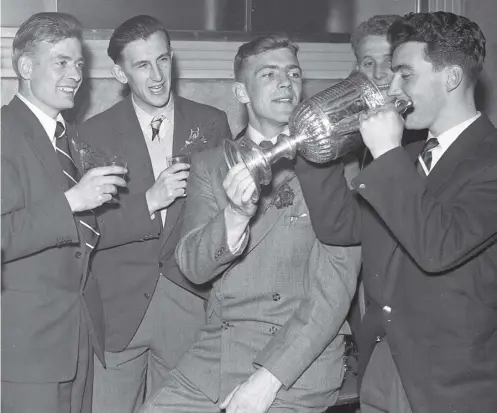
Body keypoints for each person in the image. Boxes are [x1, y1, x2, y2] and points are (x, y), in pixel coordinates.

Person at [140, 35, 362, 413]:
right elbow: (192, 266)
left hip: (297, 362)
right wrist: (235, 215)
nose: (285, 83)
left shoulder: (338, 165)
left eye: (293, 73)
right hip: (218, 353)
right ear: (241, 92)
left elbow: (335, 290)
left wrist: (267, 380)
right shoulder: (211, 165)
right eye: (269, 74)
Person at [295, 11, 497, 413]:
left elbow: (437, 244)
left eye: (405, 74)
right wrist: (312, 147)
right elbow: (340, 225)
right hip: (384, 365)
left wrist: (385, 152)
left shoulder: (488, 161)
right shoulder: (407, 158)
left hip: (451, 383)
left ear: (452, 77)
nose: (390, 87)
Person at [77, 15, 232, 413]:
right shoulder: (91, 134)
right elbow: (85, 230)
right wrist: (149, 200)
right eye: (142, 65)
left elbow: (229, 215)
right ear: (119, 72)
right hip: (119, 308)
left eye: (163, 60)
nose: (157, 75)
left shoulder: (211, 123)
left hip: (191, 300)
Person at [1, 12, 127, 413]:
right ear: (24, 66)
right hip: (26, 350)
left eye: (78, 63)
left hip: (77, 340)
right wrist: (71, 201)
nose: (75, 73)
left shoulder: (68, 136)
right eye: (61, 62)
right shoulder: (3, 132)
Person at [351, 14, 425, 167]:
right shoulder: (354, 127)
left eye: (389, 61)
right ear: (357, 71)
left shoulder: (422, 130)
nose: (379, 73)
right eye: (369, 63)